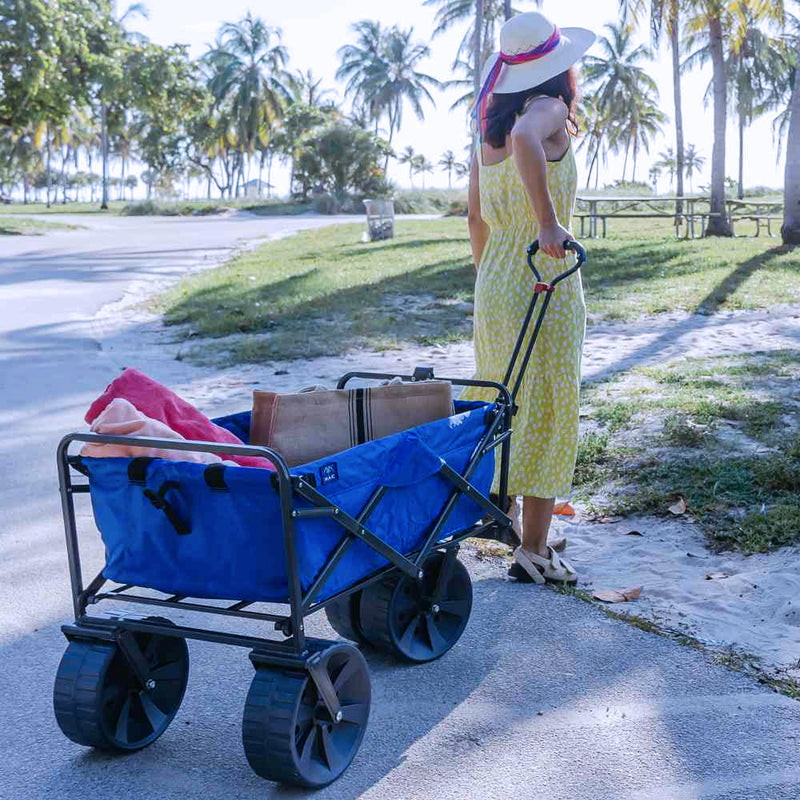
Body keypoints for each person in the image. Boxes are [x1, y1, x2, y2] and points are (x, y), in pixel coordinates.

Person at [461, 12, 595, 584]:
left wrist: (491, 277)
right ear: (558, 66)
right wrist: (548, 222)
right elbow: (526, 140)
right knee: (546, 406)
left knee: (504, 402)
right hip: (544, 278)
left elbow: (475, 217)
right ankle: (534, 550)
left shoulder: (485, 133)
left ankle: (510, 521)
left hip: (495, 284)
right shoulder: (548, 112)